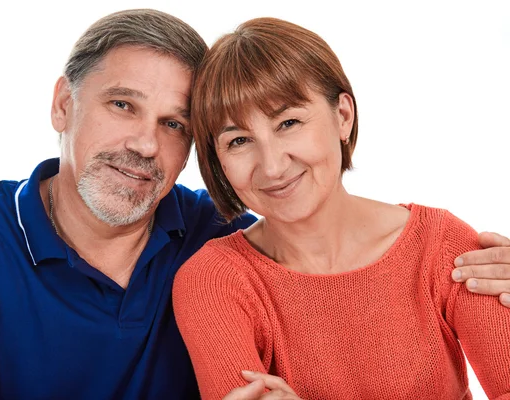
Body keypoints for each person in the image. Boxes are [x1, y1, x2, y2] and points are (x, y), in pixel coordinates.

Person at [0, 9, 507, 400]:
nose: (145, 144)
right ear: (63, 104)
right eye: (123, 105)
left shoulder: (215, 236)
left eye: (173, 123)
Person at [173, 17, 510, 400]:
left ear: (342, 116)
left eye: (289, 122)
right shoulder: (213, 282)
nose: (271, 166)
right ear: (217, 159)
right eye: (238, 141)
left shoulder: (444, 245)